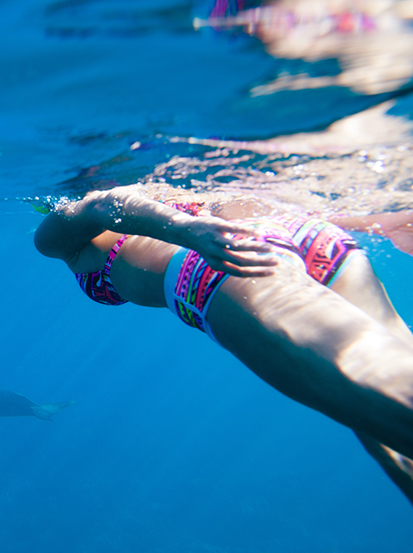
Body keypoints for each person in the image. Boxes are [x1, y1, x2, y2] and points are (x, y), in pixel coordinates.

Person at [34, 182, 413, 504]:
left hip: (213, 265)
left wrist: (185, 231)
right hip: (304, 235)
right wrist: (380, 224)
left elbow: (103, 203)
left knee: (378, 400)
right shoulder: (177, 187)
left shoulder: (55, 237)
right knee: (377, 414)